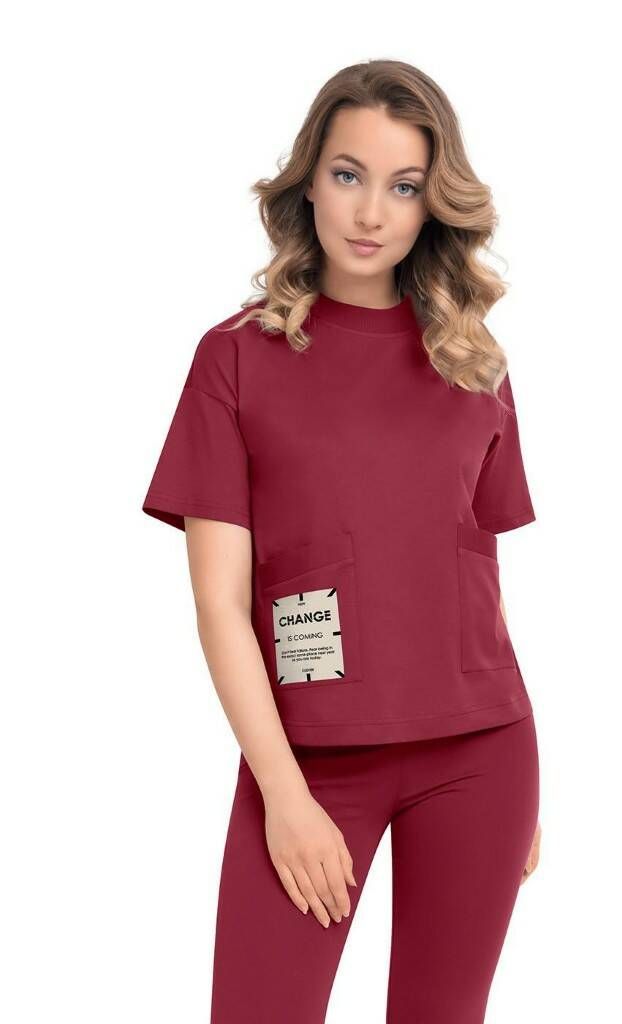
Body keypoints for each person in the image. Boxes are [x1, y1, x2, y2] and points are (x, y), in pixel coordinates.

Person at [142, 59, 542, 1024]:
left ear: (432, 205)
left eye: (403, 186)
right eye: (348, 174)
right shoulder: (235, 357)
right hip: (309, 759)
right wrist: (282, 795)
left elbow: (478, 579)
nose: (370, 213)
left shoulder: (472, 362)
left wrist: (528, 788)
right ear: (308, 182)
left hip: (480, 752)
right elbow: (219, 604)